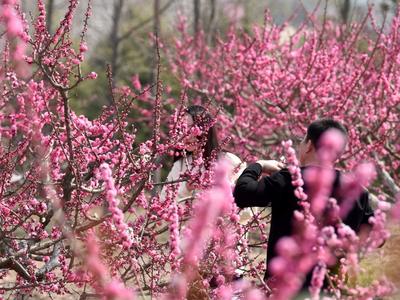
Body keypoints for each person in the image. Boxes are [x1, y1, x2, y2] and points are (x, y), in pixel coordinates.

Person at [233, 119, 375, 287]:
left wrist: (259, 165)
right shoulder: (356, 191)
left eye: (302, 140)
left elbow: (242, 193)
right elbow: (374, 235)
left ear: (309, 145)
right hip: (330, 288)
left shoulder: (290, 179)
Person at [161, 105, 246, 203]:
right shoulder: (180, 165)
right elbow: (164, 203)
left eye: (191, 128)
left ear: (206, 130)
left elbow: (248, 209)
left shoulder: (230, 162)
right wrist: (186, 189)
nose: (186, 135)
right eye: (182, 129)